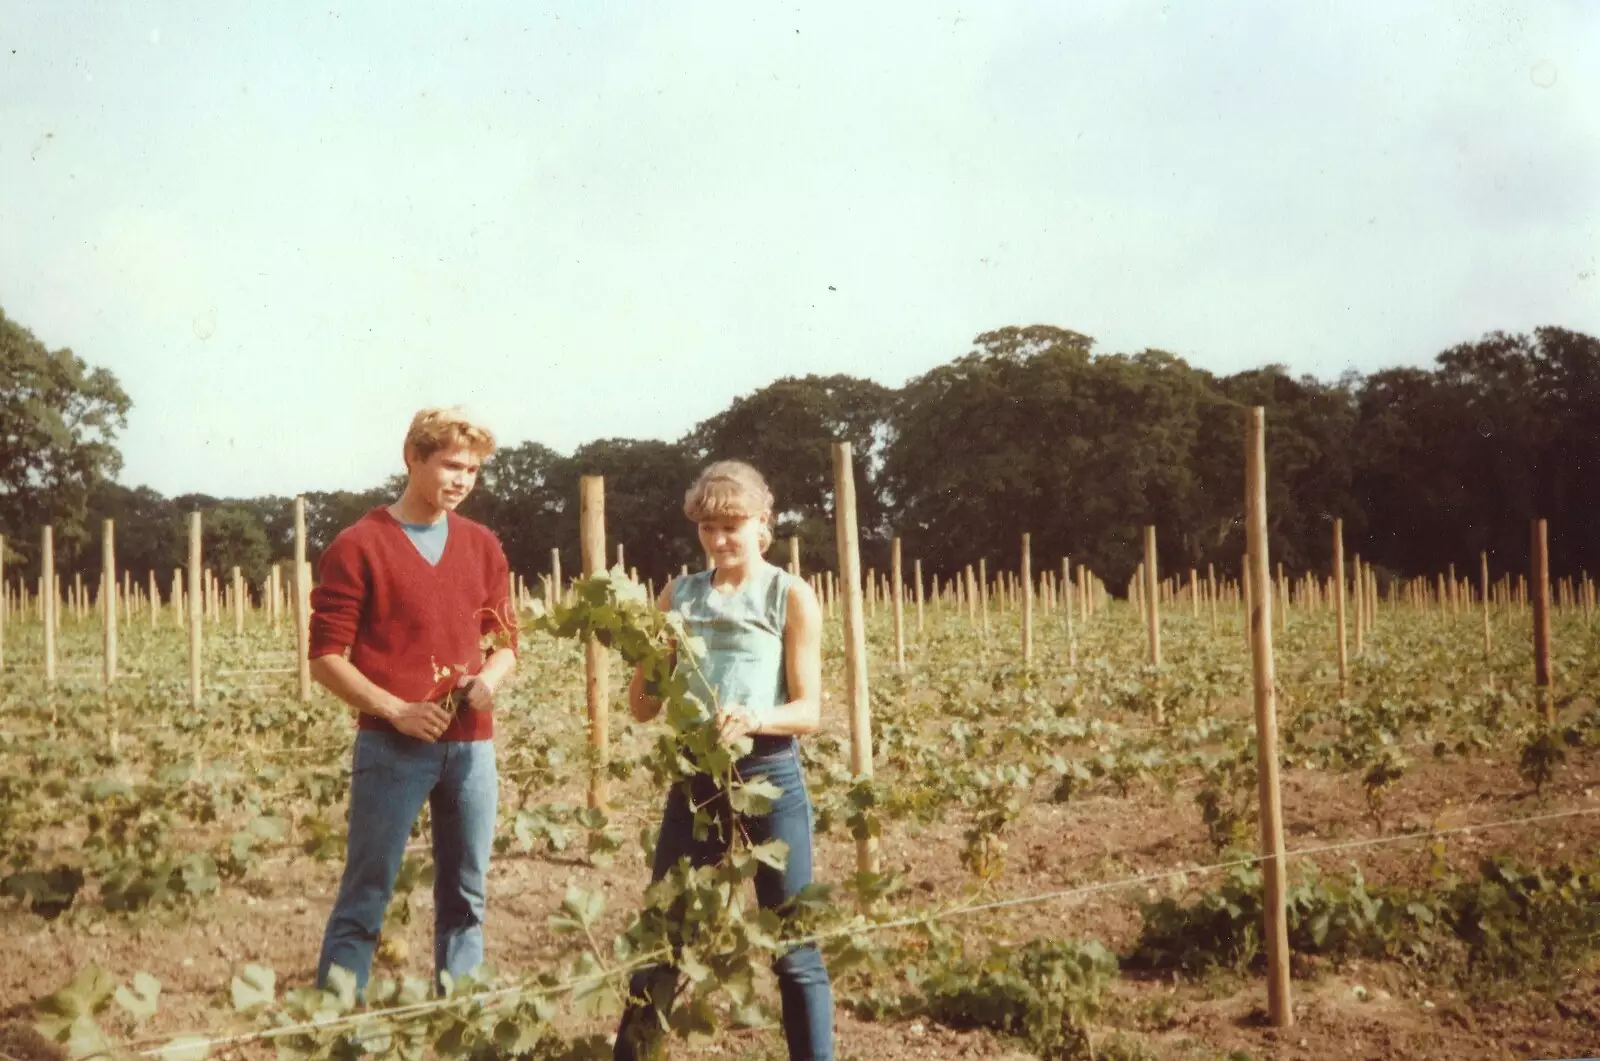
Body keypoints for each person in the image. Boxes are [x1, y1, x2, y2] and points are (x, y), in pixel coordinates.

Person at [614, 460, 834, 1061]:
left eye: (732, 526)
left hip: (768, 773)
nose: (719, 540)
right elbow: (640, 707)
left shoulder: (790, 594)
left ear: (764, 523)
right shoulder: (677, 595)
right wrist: (649, 651)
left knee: (794, 942)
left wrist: (753, 717)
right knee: (664, 933)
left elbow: (809, 709)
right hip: (695, 778)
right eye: (708, 527)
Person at [308, 407, 518, 994]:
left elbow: (506, 644)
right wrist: (396, 709)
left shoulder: (481, 545)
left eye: (472, 471)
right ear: (413, 458)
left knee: (467, 896)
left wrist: (488, 682)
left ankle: (463, 1020)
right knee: (367, 894)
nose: (461, 480)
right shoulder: (360, 545)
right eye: (450, 465)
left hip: (471, 750)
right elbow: (326, 658)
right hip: (392, 748)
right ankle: (336, 1029)